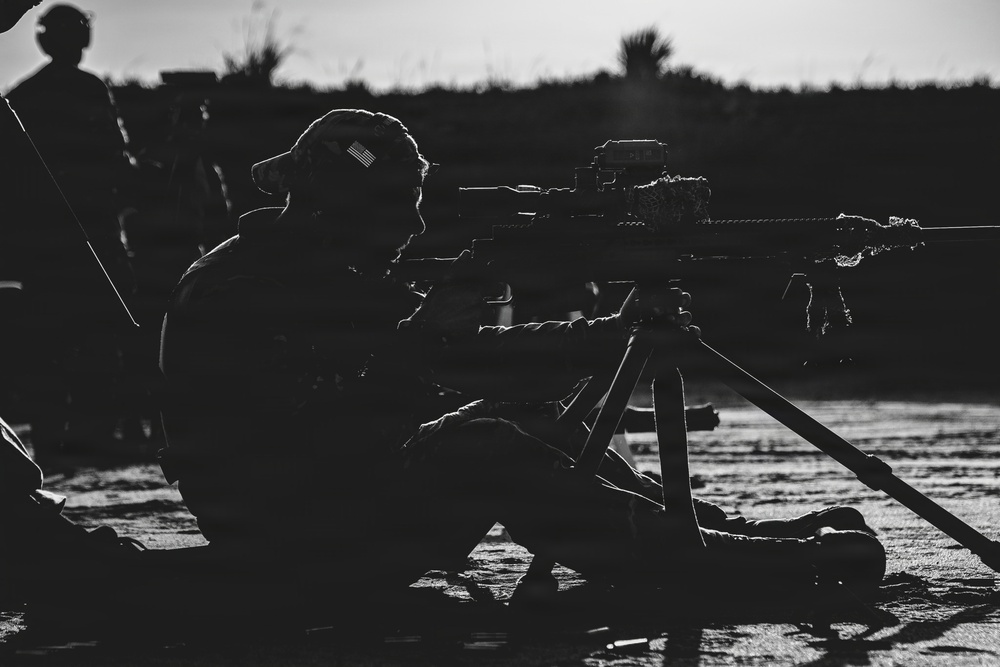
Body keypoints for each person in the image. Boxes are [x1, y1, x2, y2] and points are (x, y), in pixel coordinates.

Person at [151, 108, 886, 618]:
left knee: (523, 421)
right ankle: (705, 563)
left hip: (326, 495)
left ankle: (709, 531)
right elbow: (436, 367)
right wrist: (584, 336)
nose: (411, 226)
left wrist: (596, 334)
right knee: (485, 444)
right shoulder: (256, 283)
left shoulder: (306, 264)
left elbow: (435, 365)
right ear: (334, 205)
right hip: (296, 531)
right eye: (393, 206)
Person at [4, 3, 138, 457]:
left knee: (49, 344)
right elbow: (115, 164)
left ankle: (52, 439)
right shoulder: (88, 91)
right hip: (87, 239)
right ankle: (88, 440)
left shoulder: (24, 96)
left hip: (42, 246)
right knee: (93, 340)